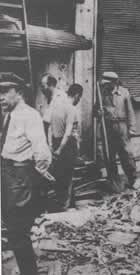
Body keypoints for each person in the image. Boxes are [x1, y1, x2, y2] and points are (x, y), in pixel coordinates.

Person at [0, 73, 52, 275]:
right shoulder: (10, 115)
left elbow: (42, 153)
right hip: (8, 173)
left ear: (19, 92)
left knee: (17, 231)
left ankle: (29, 272)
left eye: (5, 91)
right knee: (12, 229)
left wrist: (32, 177)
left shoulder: (30, 115)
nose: (0, 97)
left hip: (19, 177)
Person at [99, 72, 137, 191]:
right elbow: (96, 109)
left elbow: (130, 111)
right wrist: (98, 112)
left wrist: (132, 128)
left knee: (126, 155)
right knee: (110, 157)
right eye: (104, 84)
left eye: (108, 83)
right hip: (108, 127)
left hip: (122, 126)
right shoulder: (101, 93)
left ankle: (133, 180)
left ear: (115, 82)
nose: (106, 86)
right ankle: (115, 184)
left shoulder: (124, 92)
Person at [50, 84, 83, 210]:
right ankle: (65, 206)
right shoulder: (71, 108)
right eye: (79, 97)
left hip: (56, 141)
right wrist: (60, 149)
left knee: (60, 175)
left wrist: (52, 146)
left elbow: (49, 127)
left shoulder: (56, 105)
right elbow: (68, 133)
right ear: (77, 95)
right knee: (68, 176)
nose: (79, 100)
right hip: (67, 145)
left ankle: (69, 203)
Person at [40, 73, 66, 139]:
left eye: (43, 86)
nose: (41, 89)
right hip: (49, 139)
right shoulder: (46, 98)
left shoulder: (61, 97)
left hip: (59, 139)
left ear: (51, 85)